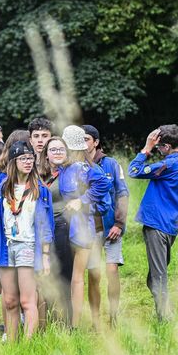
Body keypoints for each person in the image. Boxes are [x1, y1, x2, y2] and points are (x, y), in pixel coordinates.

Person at [0, 141, 54, 340]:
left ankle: (27, 345)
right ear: (13, 162)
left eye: (31, 158)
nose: (28, 162)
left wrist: (46, 256)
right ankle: (12, 342)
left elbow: (46, 227)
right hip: (5, 248)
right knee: (9, 300)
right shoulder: (2, 188)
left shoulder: (40, 191)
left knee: (27, 300)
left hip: (28, 246)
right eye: (23, 159)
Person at [129, 125, 178, 321]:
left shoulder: (168, 165)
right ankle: (167, 311)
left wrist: (146, 148)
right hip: (173, 225)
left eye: (159, 148)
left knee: (158, 277)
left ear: (167, 146)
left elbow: (134, 171)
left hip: (157, 226)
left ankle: (165, 319)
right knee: (155, 276)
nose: (158, 151)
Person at [58, 125, 111, 329]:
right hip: (67, 225)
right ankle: (66, 318)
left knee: (77, 277)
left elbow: (104, 183)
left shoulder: (83, 168)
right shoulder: (65, 167)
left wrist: (83, 199)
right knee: (68, 274)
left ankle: (74, 324)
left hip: (82, 226)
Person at [81, 125, 129, 328]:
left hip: (111, 226)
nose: (83, 144)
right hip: (90, 229)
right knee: (93, 273)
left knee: (111, 271)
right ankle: (94, 320)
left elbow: (122, 194)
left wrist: (119, 223)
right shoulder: (76, 166)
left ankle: (114, 316)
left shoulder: (111, 164)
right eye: (80, 140)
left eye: (86, 140)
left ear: (95, 142)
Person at [37, 136, 73, 324]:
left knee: (64, 275)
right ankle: (49, 319)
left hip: (63, 228)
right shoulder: (38, 174)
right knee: (46, 275)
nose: (57, 153)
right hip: (42, 230)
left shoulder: (71, 172)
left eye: (61, 149)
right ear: (46, 154)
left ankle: (66, 322)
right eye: (53, 150)